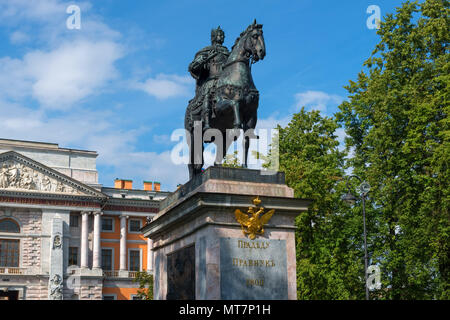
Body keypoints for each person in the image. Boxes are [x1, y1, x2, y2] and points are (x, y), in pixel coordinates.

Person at [188, 26, 230, 130]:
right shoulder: (207, 51)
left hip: (226, 82)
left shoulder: (228, 53)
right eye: (219, 35)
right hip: (211, 81)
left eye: (223, 35)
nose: (221, 37)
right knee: (208, 93)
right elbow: (193, 66)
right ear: (214, 37)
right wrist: (203, 60)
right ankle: (206, 122)